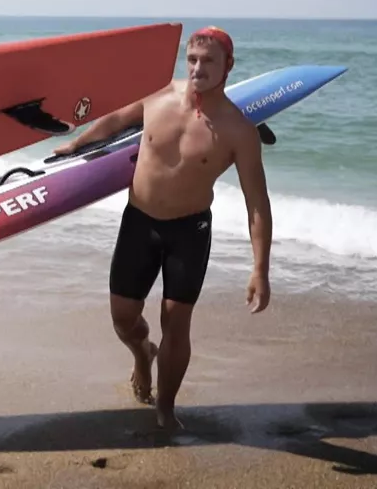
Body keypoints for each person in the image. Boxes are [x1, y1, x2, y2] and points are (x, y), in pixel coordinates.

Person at [54, 26, 273, 431]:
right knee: (123, 318)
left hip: (189, 232)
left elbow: (256, 203)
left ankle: (167, 408)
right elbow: (117, 120)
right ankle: (142, 354)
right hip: (139, 221)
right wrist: (76, 144)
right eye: (192, 59)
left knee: (177, 321)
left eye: (208, 61)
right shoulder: (158, 95)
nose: (198, 68)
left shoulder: (238, 131)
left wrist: (260, 268)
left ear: (229, 66)